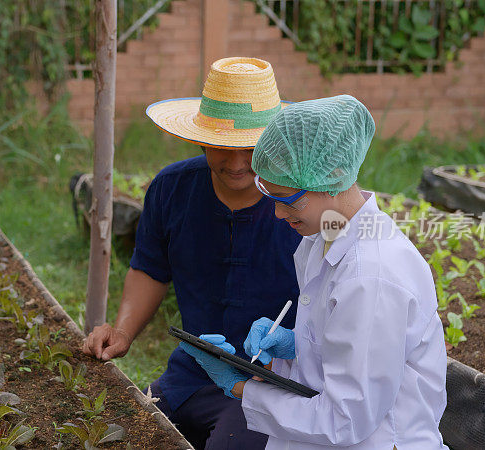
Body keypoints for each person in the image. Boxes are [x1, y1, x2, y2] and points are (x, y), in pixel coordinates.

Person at [180, 95, 448, 449]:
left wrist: (240, 386)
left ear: (333, 178)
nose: (277, 214)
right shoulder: (323, 235)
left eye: (286, 199)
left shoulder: (371, 276)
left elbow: (344, 419)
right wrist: (297, 347)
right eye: (270, 196)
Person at [82, 57, 302, 449]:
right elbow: (150, 268)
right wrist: (122, 331)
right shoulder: (172, 189)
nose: (236, 163)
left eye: (249, 148)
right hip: (192, 371)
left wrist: (292, 348)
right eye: (221, 146)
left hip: (270, 384)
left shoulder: (301, 206)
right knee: (120, 433)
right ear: (200, 138)